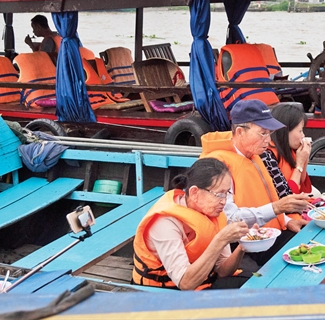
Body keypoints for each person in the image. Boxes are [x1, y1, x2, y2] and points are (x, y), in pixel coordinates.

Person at [200, 99, 310, 266]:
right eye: (262, 133)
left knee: (312, 241)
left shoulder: (256, 155)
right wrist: (277, 208)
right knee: (305, 256)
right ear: (240, 132)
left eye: (269, 133)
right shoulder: (218, 165)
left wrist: (287, 221)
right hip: (245, 244)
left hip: (269, 233)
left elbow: (265, 197)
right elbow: (228, 219)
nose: (268, 140)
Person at [132, 158, 252, 290]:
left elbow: (222, 271)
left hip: (203, 281)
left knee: (255, 280)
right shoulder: (165, 223)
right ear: (194, 193)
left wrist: (242, 246)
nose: (224, 201)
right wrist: (220, 239)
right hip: (162, 291)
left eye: (226, 193)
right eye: (218, 194)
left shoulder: (213, 213)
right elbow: (185, 284)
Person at [260, 104, 313, 197]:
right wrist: (299, 165)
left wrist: (305, 158)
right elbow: (288, 195)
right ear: (285, 131)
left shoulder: (290, 149)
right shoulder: (269, 155)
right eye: (300, 131)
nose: (303, 135)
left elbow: (302, 185)